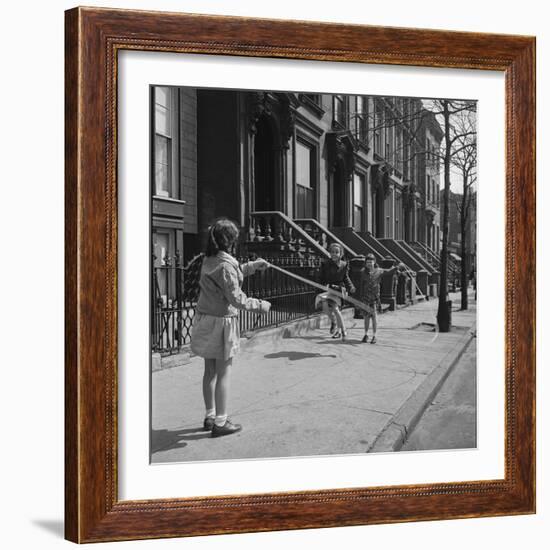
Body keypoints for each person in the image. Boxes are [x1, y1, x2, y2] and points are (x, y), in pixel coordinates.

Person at [190, 218, 271, 437]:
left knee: (209, 371)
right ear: (230, 241)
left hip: (205, 319)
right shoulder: (225, 265)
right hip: (221, 324)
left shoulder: (209, 260)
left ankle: (210, 416)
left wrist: (253, 266)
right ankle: (221, 422)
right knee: (224, 371)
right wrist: (261, 305)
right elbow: (236, 297)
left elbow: (227, 278)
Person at [359, 254, 405, 344]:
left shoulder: (379, 271)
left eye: (371, 262)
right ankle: (366, 334)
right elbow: (361, 285)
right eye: (367, 262)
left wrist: (397, 267)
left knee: (374, 316)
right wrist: (361, 298)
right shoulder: (363, 272)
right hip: (366, 298)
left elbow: (389, 272)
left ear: (374, 262)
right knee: (366, 317)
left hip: (375, 298)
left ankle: (374, 335)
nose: (369, 264)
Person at [317, 243, 355, 340]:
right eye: (332, 252)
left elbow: (346, 277)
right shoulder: (325, 264)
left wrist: (350, 286)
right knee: (325, 308)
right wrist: (322, 285)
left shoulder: (344, 264)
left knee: (336, 309)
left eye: (337, 252)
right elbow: (321, 277)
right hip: (328, 289)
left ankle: (343, 331)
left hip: (338, 289)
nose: (334, 254)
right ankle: (333, 321)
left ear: (341, 254)